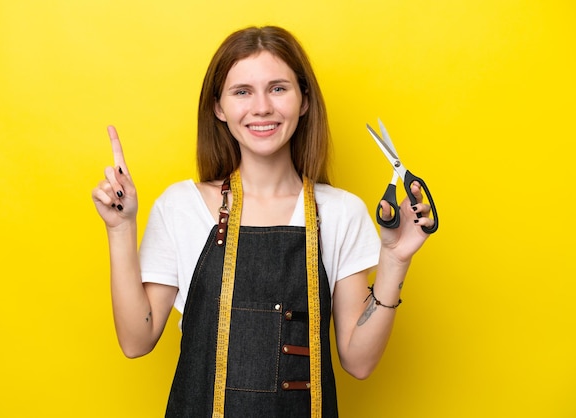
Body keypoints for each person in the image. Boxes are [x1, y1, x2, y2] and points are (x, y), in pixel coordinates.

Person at [92, 26, 434, 418]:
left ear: (304, 100)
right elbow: (136, 341)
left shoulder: (342, 212)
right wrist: (120, 230)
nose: (262, 108)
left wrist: (395, 259)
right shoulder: (180, 207)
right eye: (242, 92)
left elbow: (359, 362)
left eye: (278, 88)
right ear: (218, 107)